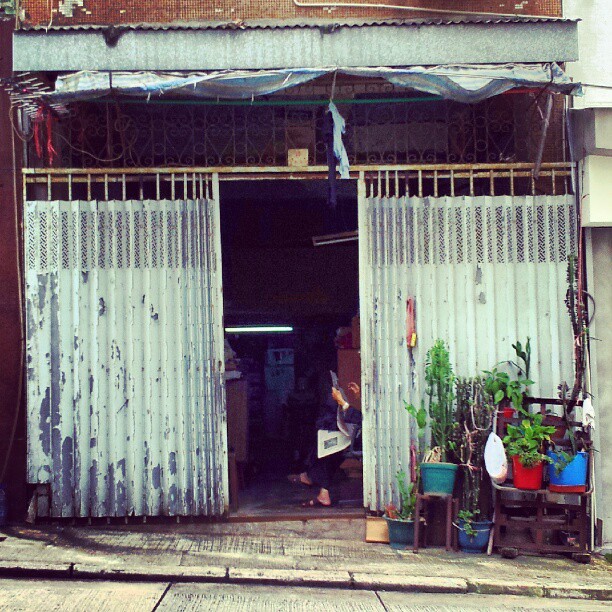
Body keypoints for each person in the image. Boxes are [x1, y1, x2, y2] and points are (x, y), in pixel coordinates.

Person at [288, 382, 361, 507]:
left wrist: (342, 402)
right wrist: (358, 395)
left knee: (329, 448)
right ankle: (322, 491)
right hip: (358, 434)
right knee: (326, 443)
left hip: (362, 439)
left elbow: (363, 419)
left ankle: (311, 478)